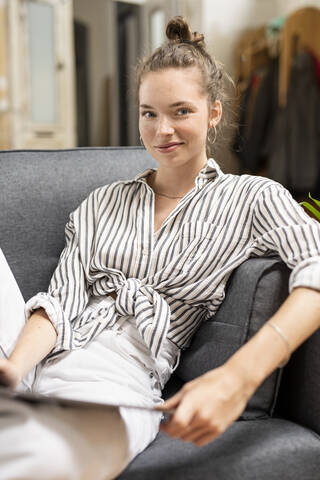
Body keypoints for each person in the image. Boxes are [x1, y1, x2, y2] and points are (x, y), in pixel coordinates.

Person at [1, 15, 320, 480]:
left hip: (116, 380)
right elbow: (60, 305)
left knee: (42, 458)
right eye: (149, 113)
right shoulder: (102, 201)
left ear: (213, 112)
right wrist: (12, 372)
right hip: (29, 357)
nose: (161, 129)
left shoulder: (251, 197)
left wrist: (237, 377)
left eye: (181, 111)